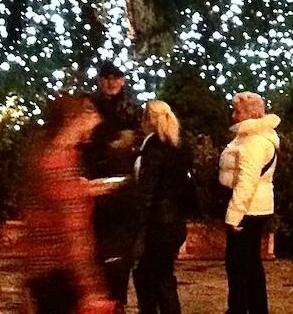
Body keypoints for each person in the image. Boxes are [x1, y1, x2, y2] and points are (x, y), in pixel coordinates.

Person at [23, 94, 110, 314]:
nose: (98, 119)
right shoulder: (60, 163)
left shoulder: (45, 155)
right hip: (60, 276)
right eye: (91, 113)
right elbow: (73, 234)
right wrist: (90, 288)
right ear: (74, 118)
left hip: (41, 271)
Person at [83, 62, 143, 312]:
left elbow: (139, 141)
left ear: (123, 81)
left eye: (115, 78)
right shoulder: (91, 105)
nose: (111, 83)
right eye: (106, 78)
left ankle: (117, 300)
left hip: (121, 186)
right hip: (94, 182)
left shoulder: (131, 109)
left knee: (119, 251)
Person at [132, 101, 198, 314]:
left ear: (147, 120)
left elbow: (147, 191)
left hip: (157, 223)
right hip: (175, 221)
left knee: (154, 277)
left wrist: (137, 223)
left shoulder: (153, 148)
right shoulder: (180, 147)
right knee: (159, 275)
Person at [218, 91, 280, 314]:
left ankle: (239, 309)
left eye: (238, 111)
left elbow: (247, 180)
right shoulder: (250, 136)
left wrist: (234, 215)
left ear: (251, 114)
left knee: (238, 265)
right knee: (250, 263)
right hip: (254, 206)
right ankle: (254, 308)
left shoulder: (254, 141)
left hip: (248, 208)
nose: (234, 116)